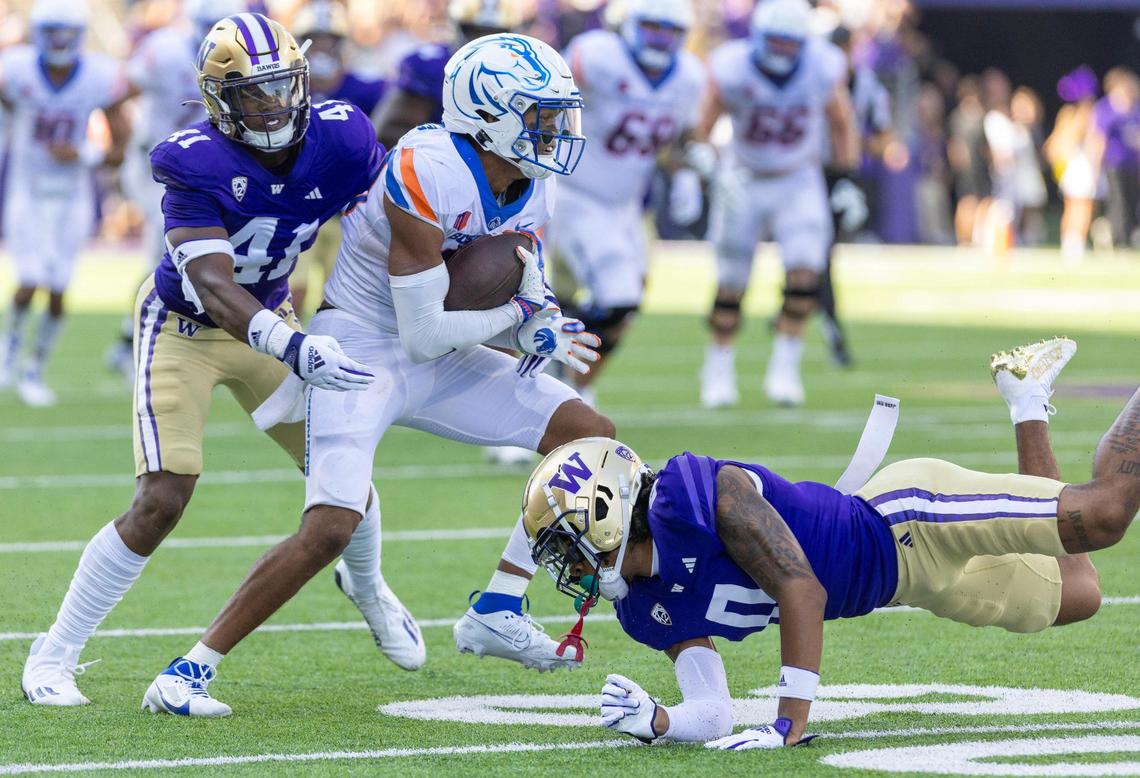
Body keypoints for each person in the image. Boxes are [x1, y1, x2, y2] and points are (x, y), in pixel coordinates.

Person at [133, 32, 615, 717]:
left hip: (435, 346)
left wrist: (540, 323)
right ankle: (187, 672)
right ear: (487, 115)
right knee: (331, 526)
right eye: (539, 114)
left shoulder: (531, 182)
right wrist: (511, 318)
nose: (557, 130)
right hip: (359, 344)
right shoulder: (431, 164)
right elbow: (422, 333)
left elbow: (509, 279)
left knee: (589, 437)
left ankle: (501, 603)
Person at [22, 12, 409, 711]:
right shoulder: (190, 159)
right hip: (186, 327)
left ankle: (370, 585)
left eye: (284, 87)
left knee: (340, 466)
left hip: (274, 318)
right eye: (256, 93)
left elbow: (385, 222)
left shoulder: (343, 135)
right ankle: (55, 652)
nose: (276, 104)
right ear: (219, 99)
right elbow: (214, 285)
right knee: (161, 499)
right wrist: (292, 344)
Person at [522, 335, 1126, 746]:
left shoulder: (694, 498)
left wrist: (788, 724)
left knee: (1102, 516)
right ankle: (1027, 401)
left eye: (568, 545)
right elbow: (713, 713)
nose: (567, 567)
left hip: (911, 518)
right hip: (904, 584)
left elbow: (800, 589)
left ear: (608, 515)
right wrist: (659, 722)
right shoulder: (643, 607)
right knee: (1080, 592)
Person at [695, 0, 858, 409]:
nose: (784, 50)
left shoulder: (822, 66)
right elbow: (701, 127)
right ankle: (718, 367)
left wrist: (845, 180)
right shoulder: (731, 67)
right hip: (744, 175)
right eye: (777, 41)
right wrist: (706, 171)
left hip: (798, 177)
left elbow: (842, 122)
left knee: (806, 269)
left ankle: (785, 366)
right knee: (732, 278)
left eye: (792, 42)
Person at [545, 0, 705, 408]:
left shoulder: (687, 76)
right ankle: (546, 376)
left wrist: (683, 171)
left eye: (669, 30)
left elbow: (676, 137)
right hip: (575, 194)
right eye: (651, 26)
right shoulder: (596, 55)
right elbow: (548, 107)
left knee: (622, 308)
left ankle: (571, 385)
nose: (660, 38)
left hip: (627, 206)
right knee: (615, 296)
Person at [0, 0, 132, 406]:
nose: (59, 41)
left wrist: (84, 154)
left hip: (73, 192)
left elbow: (119, 145)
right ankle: (8, 358)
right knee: (29, 280)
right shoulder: (15, 68)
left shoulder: (97, 76)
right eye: (52, 32)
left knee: (58, 288)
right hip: (27, 187)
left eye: (65, 32)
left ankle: (35, 368)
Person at [106, 0, 246, 381]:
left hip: (205, 170)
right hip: (157, 163)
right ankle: (139, 341)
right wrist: (118, 143)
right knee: (167, 250)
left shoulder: (245, 59)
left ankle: (130, 339)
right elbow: (119, 91)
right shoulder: (164, 50)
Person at [288, 0, 388, 318]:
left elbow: (382, 139)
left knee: (346, 305)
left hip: (349, 212)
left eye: (329, 39)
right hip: (300, 209)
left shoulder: (368, 87)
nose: (321, 46)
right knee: (293, 293)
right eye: (314, 38)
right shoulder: (288, 87)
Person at [817, 24, 890, 367]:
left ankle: (805, 309)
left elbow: (882, 137)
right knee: (813, 254)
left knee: (820, 253)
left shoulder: (867, 86)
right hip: (806, 175)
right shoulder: (812, 80)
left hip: (844, 177)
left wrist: (852, 147)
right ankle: (818, 318)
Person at [372, 0, 518, 150]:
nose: (483, 42)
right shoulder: (431, 67)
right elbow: (392, 134)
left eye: (494, 35)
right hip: (435, 159)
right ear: (457, 28)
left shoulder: (518, 70)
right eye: (476, 32)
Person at [1089, 68, 1140, 250]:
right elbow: (1099, 139)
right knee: (1118, 201)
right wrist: (1095, 165)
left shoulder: (1135, 109)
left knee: (1131, 201)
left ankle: (1128, 235)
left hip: (1133, 164)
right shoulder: (1106, 108)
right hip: (1114, 163)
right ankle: (1119, 239)